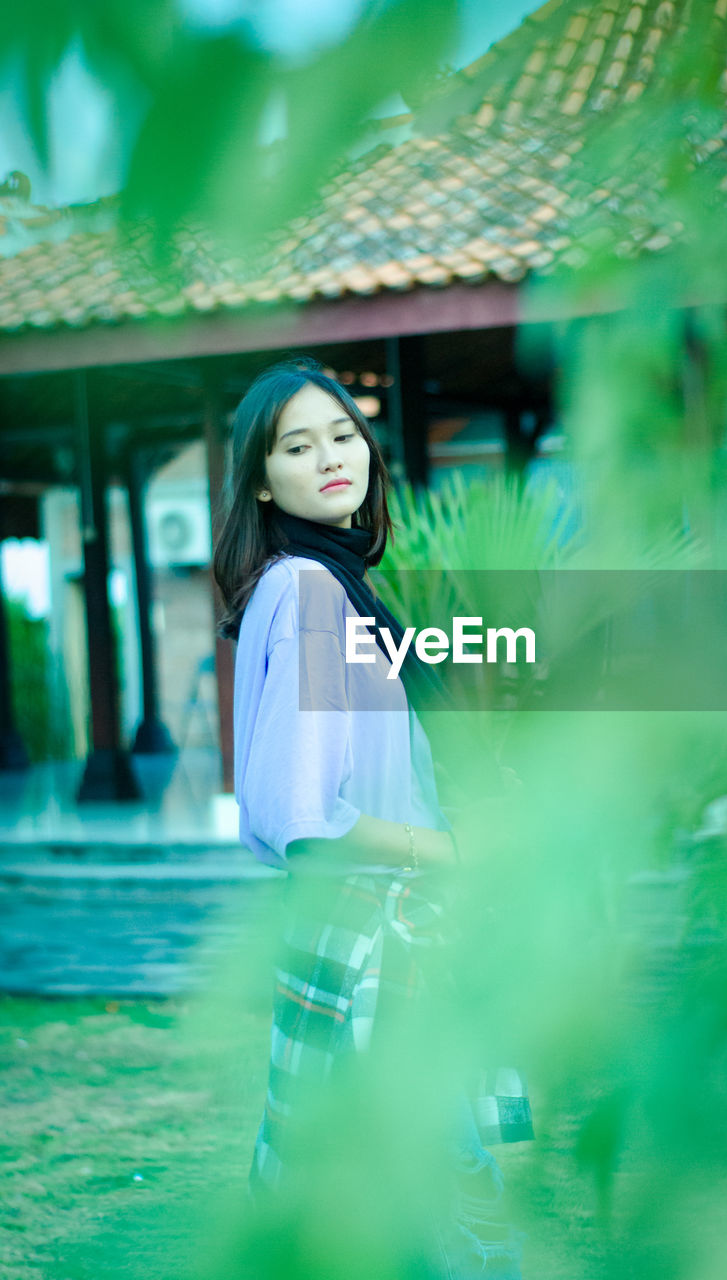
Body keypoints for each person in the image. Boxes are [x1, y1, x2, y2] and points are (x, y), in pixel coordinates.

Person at [213, 358, 532, 1278]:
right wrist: (453, 849)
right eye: (297, 447)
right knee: (458, 1232)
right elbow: (301, 813)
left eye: (343, 434)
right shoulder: (310, 592)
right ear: (263, 480)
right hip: (374, 948)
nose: (330, 459)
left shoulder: (331, 585)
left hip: (366, 941)